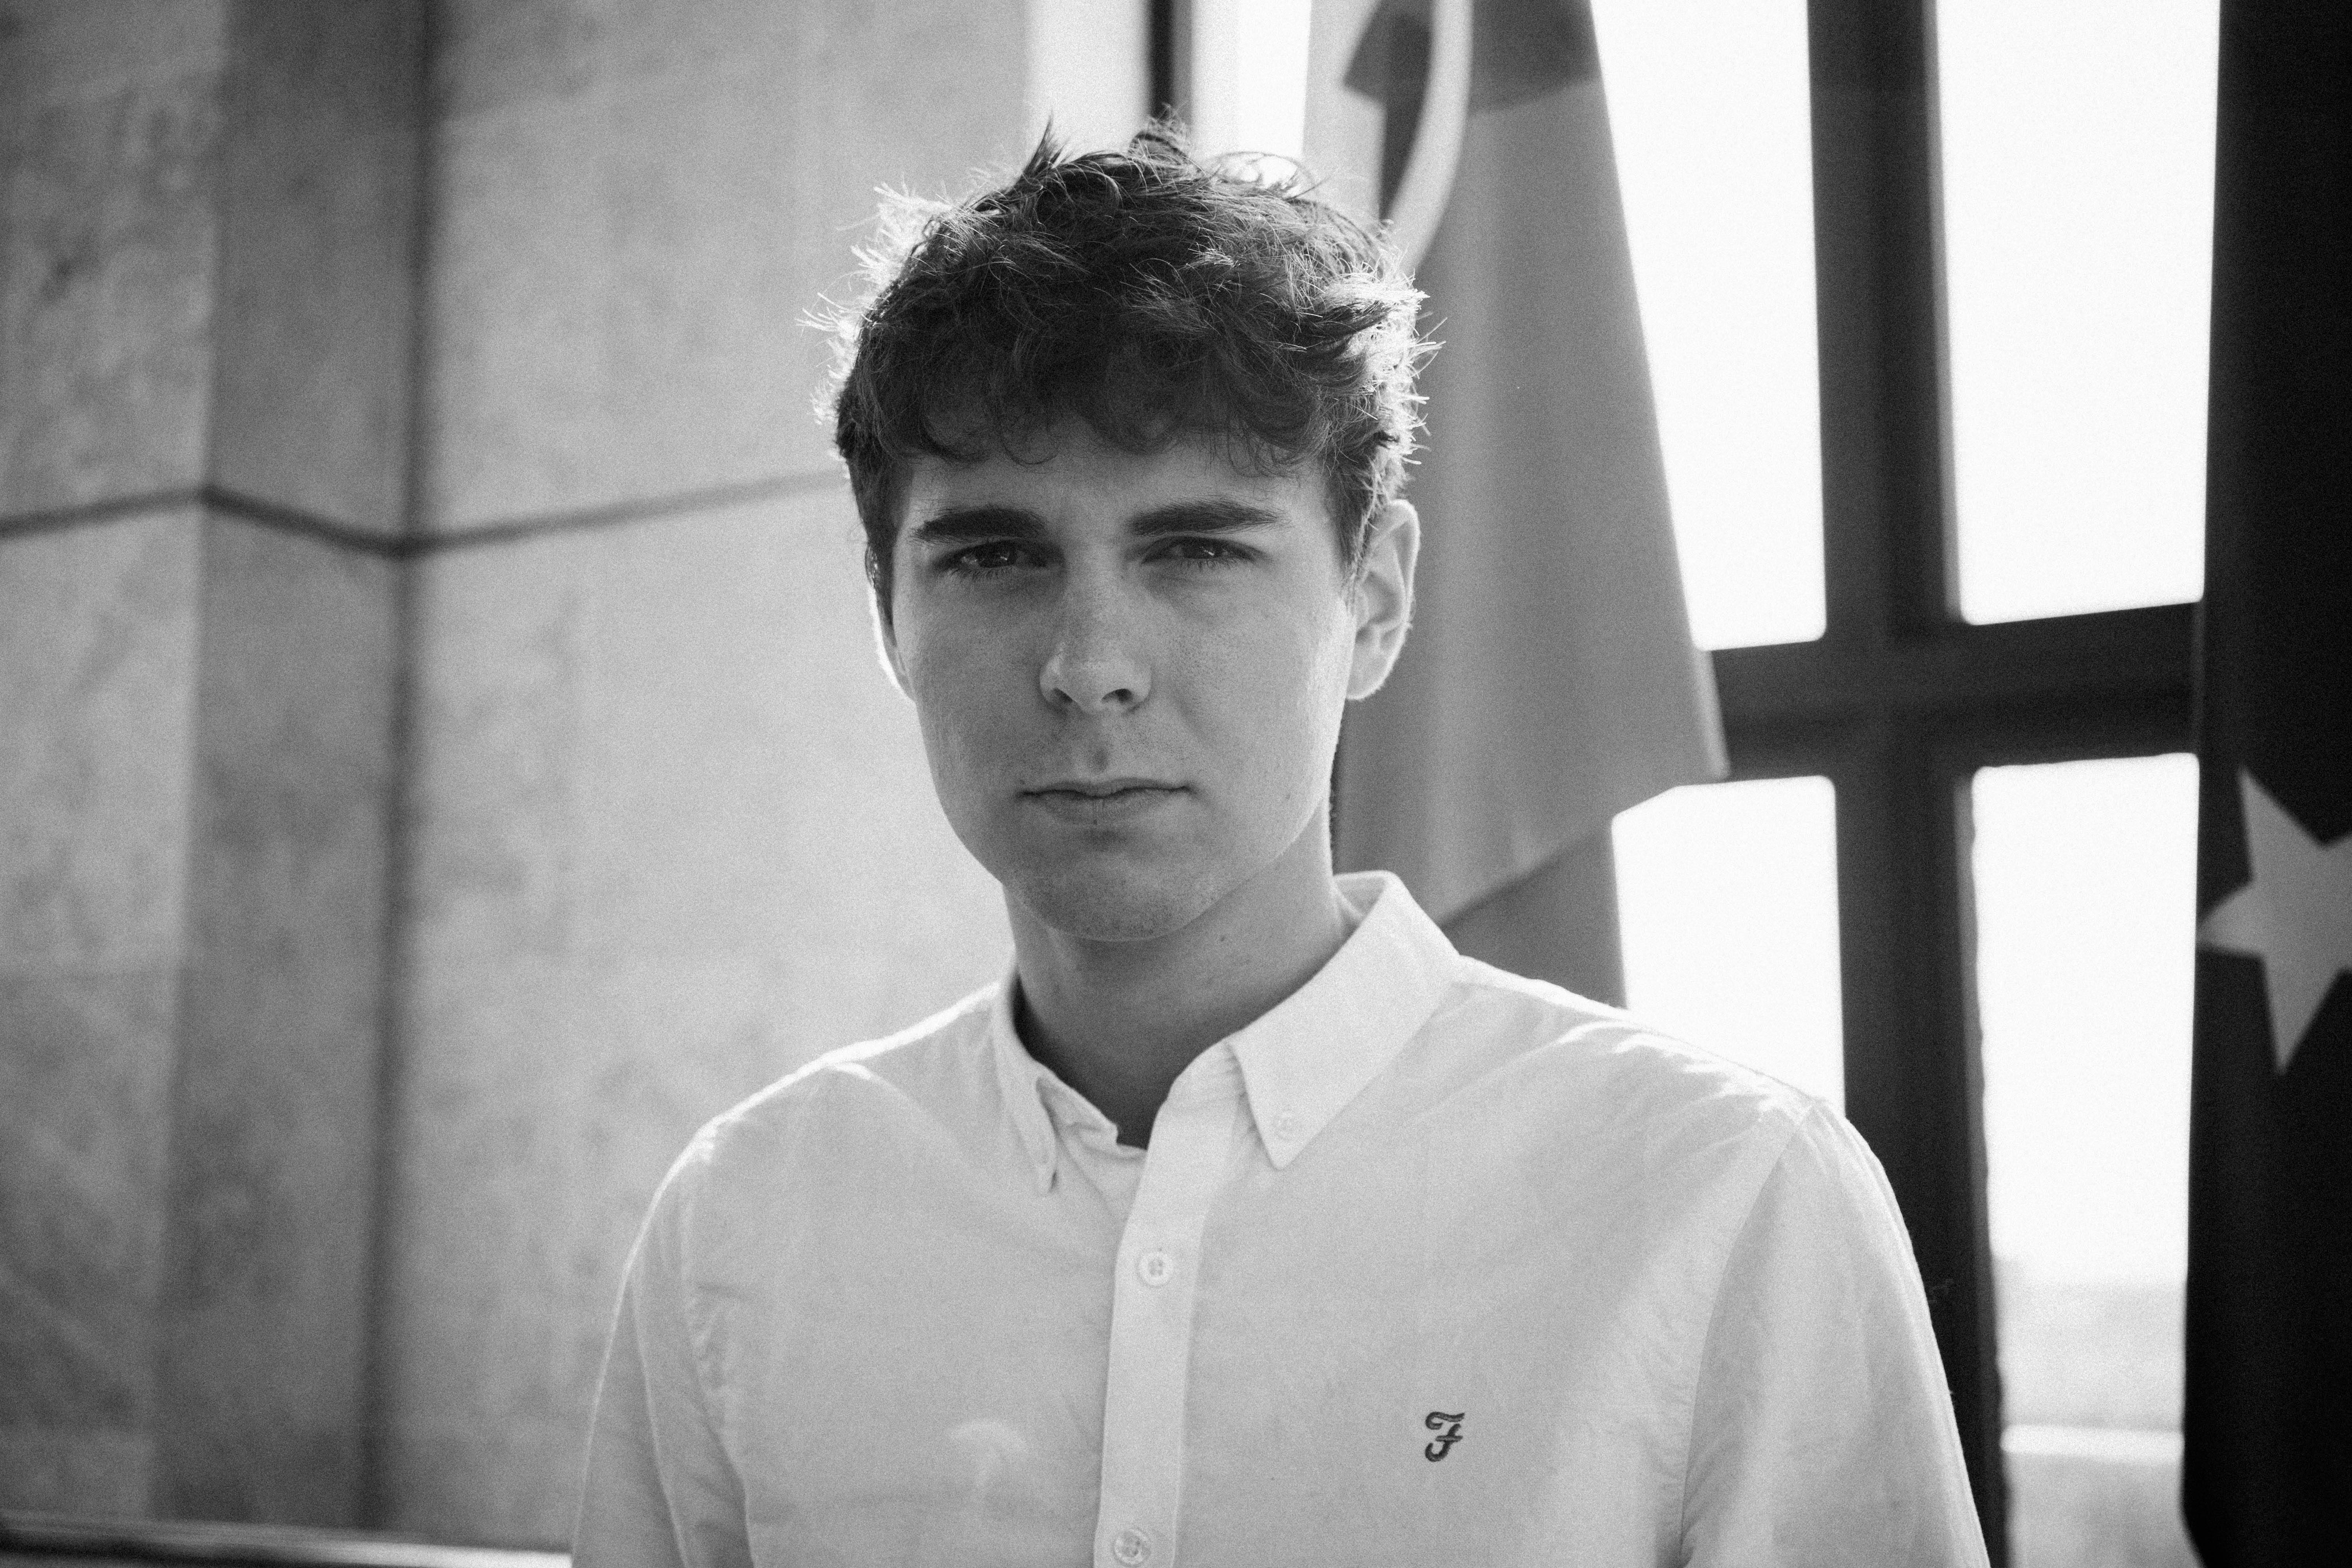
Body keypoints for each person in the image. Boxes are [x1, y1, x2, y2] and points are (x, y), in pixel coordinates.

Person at [574, 129, 1990, 1567]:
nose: (1090, 668)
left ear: (1374, 602)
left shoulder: (1728, 1199)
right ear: (889, 615)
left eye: (1195, 549)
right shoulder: (748, 1225)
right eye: (995, 556)